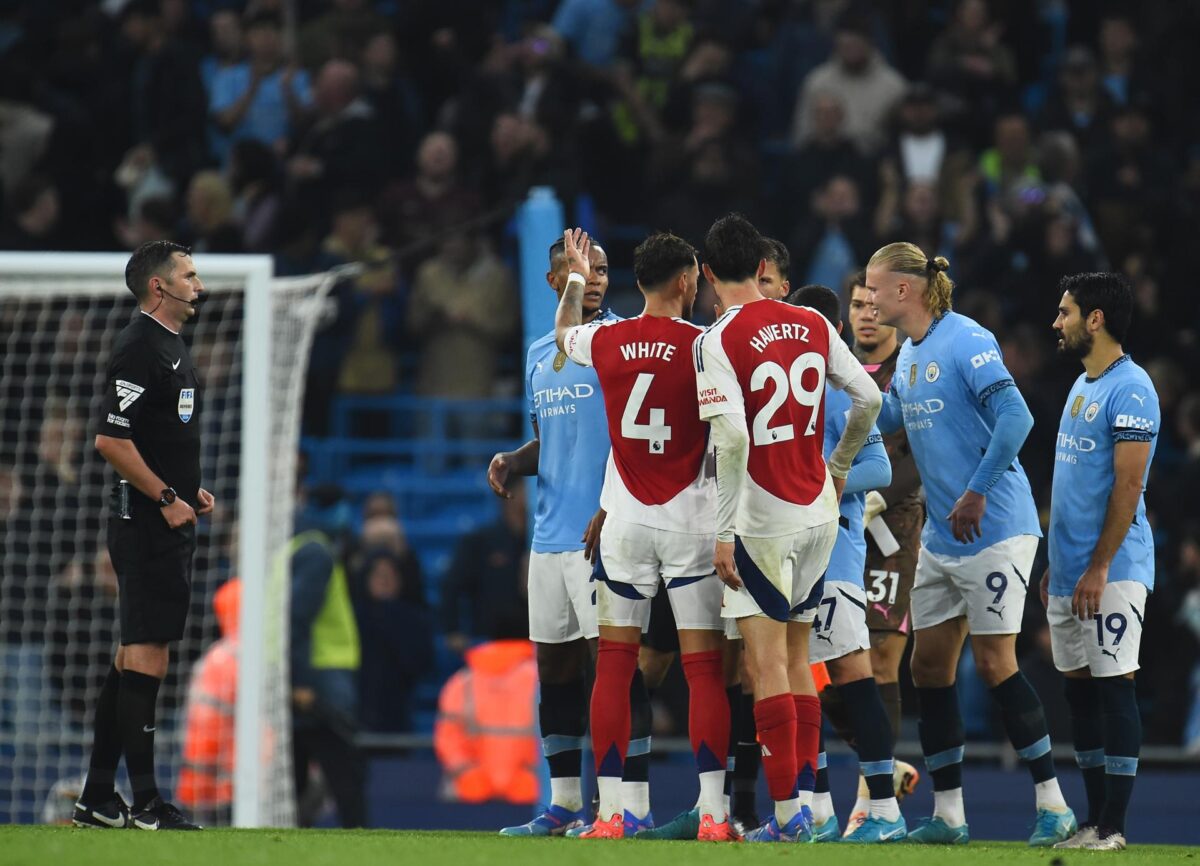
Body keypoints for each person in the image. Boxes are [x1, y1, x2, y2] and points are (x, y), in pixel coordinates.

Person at [865, 242, 1076, 846]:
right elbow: (886, 420)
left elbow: (1017, 419)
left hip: (996, 528)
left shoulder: (968, 339)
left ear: (904, 290)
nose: (871, 301)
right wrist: (835, 391)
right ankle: (950, 817)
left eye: (876, 289)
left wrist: (978, 490)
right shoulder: (908, 356)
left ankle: (1052, 805)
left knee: (992, 662)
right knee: (927, 667)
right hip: (943, 537)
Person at [694, 213, 881, 843]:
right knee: (800, 660)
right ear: (763, 268)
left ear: (711, 273)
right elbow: (870, 400)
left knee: (765, 664)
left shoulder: (715, 339)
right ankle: (809, 807)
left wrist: (724, 531)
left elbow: (731, 435)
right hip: (818, 514)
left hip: (762, 519)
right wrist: (838, 467)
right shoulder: (811, 323)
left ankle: (785, 817)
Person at [555, 229, 733, 841]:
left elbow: (562, 334)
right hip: (691, 518)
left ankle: (610, 815)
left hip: (625, 520)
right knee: (704, 670)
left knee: (614, 665)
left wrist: (577, 277)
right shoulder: (706, 346)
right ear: (686, 281)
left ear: (636, 282)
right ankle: (713, 814)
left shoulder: (604, 338)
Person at [486, 235, 625, 836]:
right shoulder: (538, 353)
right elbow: (556, 441)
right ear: (553, 282)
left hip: (605, 534)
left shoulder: (622, 344)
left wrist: (614, 506)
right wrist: (516, 460)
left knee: (612, 670)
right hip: (548, 539)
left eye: (598, 270)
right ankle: (564, 804)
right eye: (577, 270)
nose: (591, 278)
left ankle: (617, 805)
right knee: (557, 669)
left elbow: (635, 439)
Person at [74, 240, 213, 831]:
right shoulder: (139, 346)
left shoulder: (171, 346)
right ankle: (150, 802)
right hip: (145, 522)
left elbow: (155, 436)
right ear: (160, 287)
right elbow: (110, 438)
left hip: (161, 516)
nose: (198, 285)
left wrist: (187, 489)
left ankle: (98, 798)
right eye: (188, 275)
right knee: (148, 658)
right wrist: (164, 497)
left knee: (131, 658)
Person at [785, 284, 904, 844]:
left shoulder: (839, 389)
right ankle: (818, 809)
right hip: (795, 557)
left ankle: (883, 811)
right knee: (808, 681)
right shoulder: (795, 388)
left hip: (835, 556)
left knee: (856, 678)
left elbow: (879, 468)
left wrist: (819, 490)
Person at [1045, 273, 1160, 852]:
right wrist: (1058, 562)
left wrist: (1098, 566)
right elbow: (1071, 485)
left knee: (1116, 685)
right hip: (1068, 569)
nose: (1056, 322)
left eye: (1065, 312)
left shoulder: (1133, 388)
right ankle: (1091, 820)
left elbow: (1128, 484)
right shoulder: (1081, 385)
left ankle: (1114, 826)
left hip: (1112, 569)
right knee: (1079, 692)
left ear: (1095, 319)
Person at [842, 269, 925, 834]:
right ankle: (881, 771)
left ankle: (870, 801)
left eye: (874, 305)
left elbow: (921, 453)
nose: (866, 314)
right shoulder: (834, 367)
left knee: (878, 661)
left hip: (893, 533)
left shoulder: (912, 371)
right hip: (839, 530)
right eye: (857, 305)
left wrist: (877, 497)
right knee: (826, 663)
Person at [176, 578, 242, 827]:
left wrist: (191, 792)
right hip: (261, 786)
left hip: (221, 790)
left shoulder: (220, 661)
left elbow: (204, 731)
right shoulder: (268, 658)